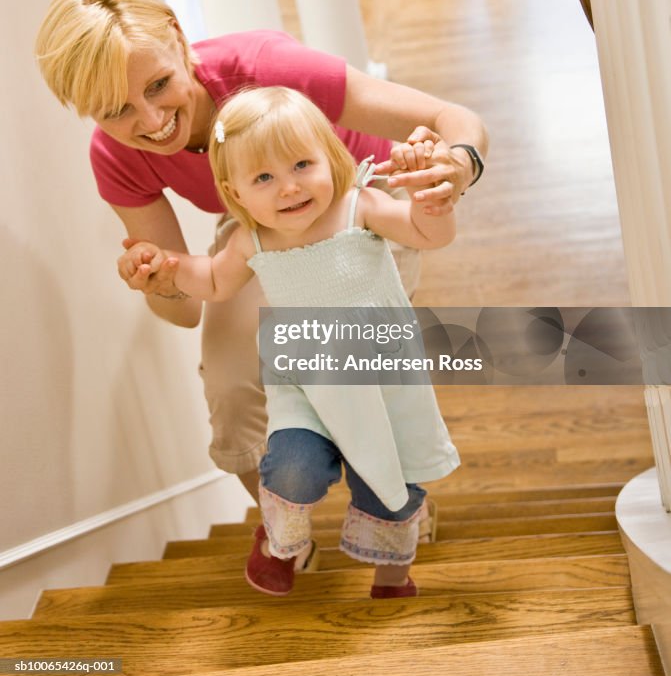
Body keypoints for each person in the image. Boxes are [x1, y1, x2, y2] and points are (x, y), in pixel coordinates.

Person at [34, 0, 487, 510]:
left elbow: (449, 117)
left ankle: (396, 506)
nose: (152, 120)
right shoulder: (115, 157)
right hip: (257, 222)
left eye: (158, 85)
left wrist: (459, 164)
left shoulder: (268, 69)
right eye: (117, 110)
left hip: (356, 203)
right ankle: (280, 529)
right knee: (228, 384)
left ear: (177, 37)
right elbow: (182, 312)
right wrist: (159, 276)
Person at [118, 86, 461, 598]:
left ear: (331, 157)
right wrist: (161, 265)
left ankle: (392, 576)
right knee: (292, 465)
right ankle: (283, 543)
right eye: (263, 178)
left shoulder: (357, 208)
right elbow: (212, 280)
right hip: (304, 386)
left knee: (388, 484)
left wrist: (431, 204)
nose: (288, 189)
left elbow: (428, 234)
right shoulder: (252, 239)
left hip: (379, 381)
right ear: (236, 195)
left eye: (302, 164)